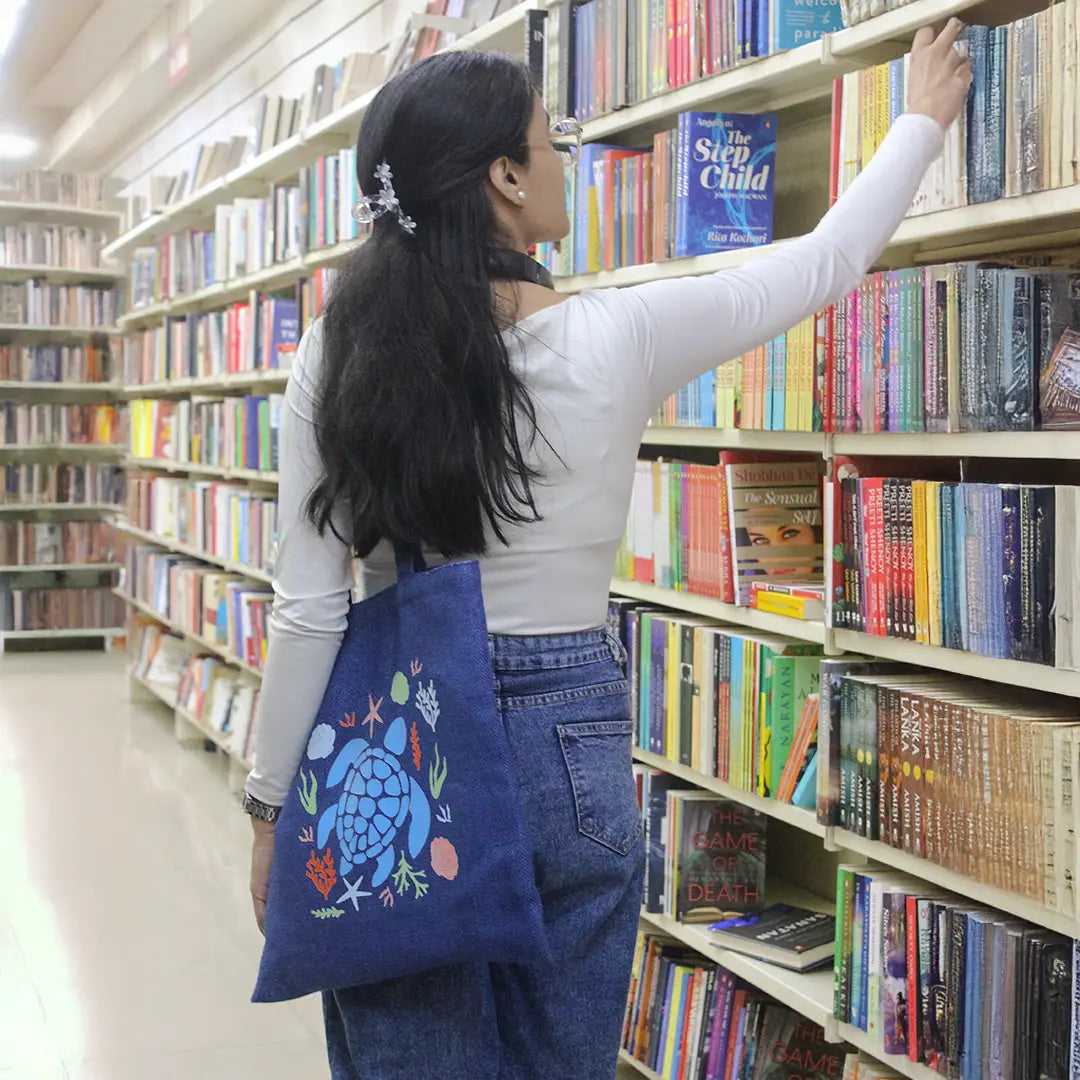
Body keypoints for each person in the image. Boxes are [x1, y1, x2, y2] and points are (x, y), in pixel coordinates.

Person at [243, 22, 972, 1079]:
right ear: (504, 178)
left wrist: (270, 804)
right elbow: (824, 262)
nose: (563, 160)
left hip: (400, 730)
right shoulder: (618, 336)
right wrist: (921, 120)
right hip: (569, 730)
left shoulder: (337, 349)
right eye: (554, 141)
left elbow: (309, 609)